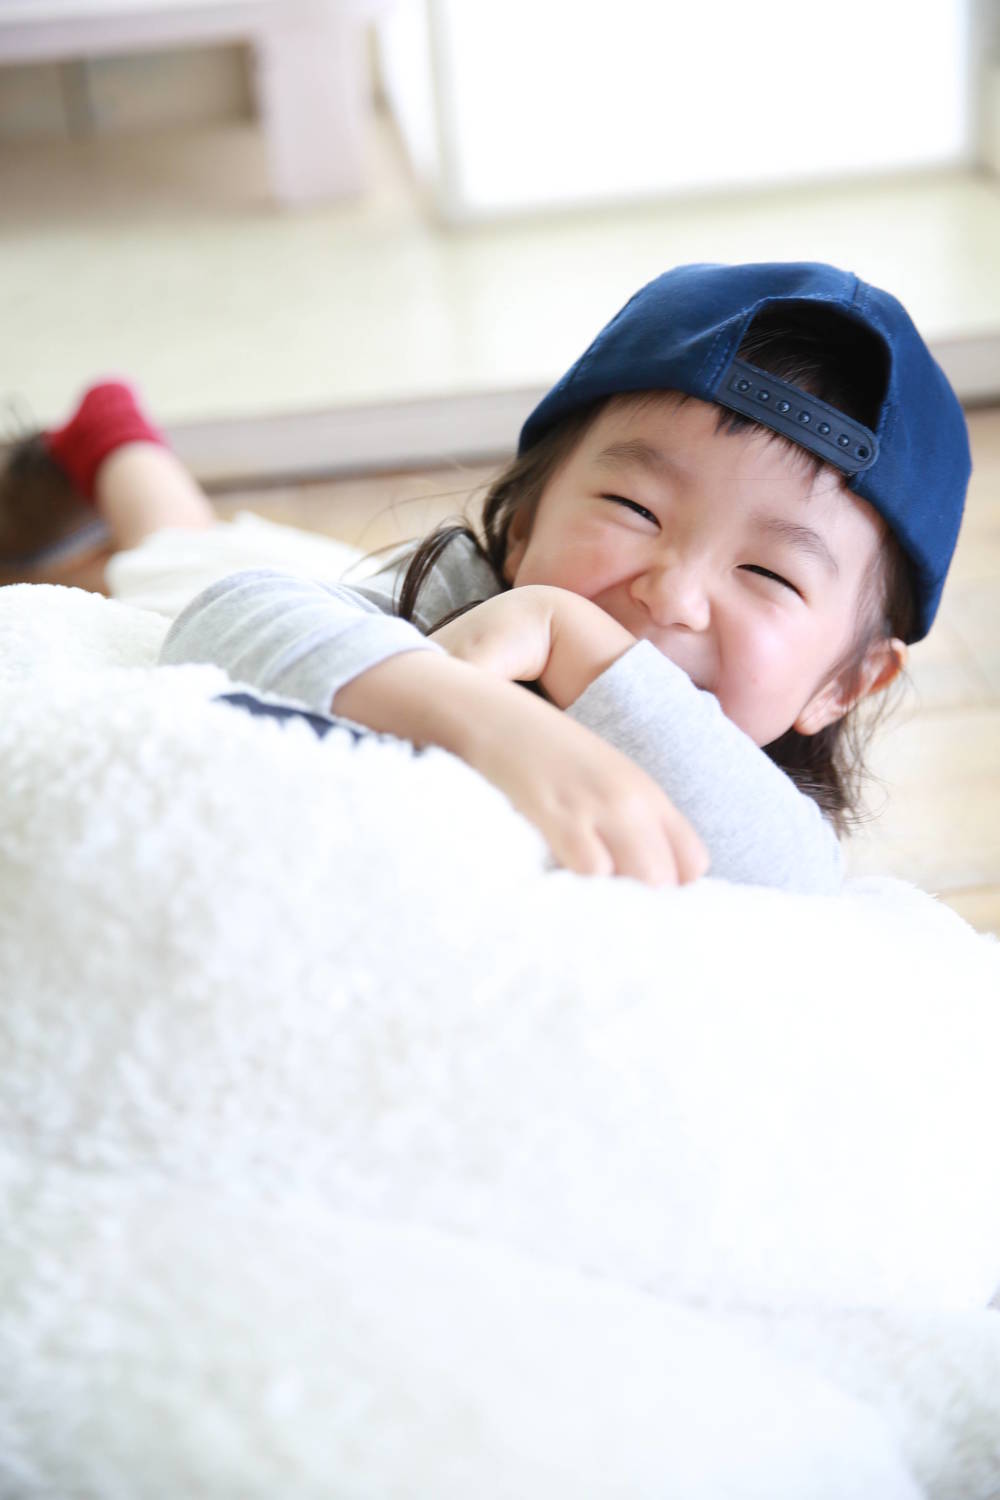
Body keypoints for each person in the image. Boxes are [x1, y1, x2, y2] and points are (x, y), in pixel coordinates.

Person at [0, 261, 971, 896]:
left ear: (845, 683)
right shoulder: (454, 599)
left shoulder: (768, 809)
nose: (671, 594)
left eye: (766, 571)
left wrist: (574, 635)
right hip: (341, 599)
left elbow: (789, 874)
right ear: (524, 519)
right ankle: (111, 436)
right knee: (178, 553)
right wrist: (477, 712)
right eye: (633, 509)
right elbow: (228, 614)